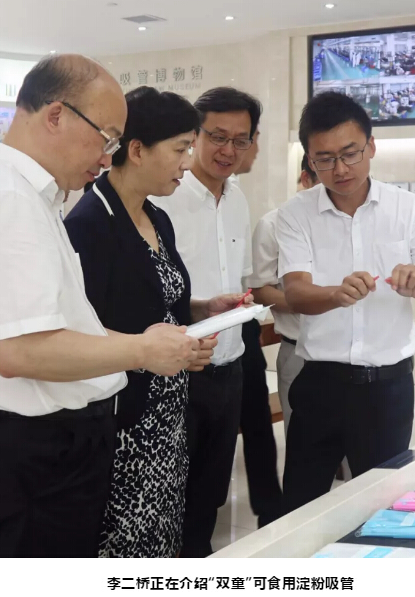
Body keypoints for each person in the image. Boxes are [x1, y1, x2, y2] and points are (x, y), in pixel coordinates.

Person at [0, 55, 199, 558]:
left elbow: (63, 328)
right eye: (107, 138)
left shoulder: (32, 198)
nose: (107, 156)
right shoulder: (5, 200)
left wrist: (145, 346)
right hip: (36, 449)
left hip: (56, 445)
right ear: (56, 115)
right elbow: (20, 351)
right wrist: (142, 351)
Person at [64, 87, 250, 557]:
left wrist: (202, 309)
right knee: (123, 544)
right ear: (137, 149)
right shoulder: (90, 224)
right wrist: (151, 351)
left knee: (166, 536)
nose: (187, 163)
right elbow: (81, 331)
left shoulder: (155, 217)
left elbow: (157, 304)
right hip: (122, 422)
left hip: (168, 412)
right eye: (180, 148)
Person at [277, 91, 415, 515]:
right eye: (324, 159)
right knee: (300, 507)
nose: (339, 169)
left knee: (381, 508)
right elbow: (295, 293)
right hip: (319, 385)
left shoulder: (406, 207)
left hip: (387, 390)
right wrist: (334, 294)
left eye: (350, 153)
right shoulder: (295, 214)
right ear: (309, 160)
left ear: (371, 146)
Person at [150, 86, 261, 557]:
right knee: (168, 498)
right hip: (176, 374)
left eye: (240, 140)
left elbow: (240, 277)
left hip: (229, 370)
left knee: (210, 494)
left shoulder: (238, 200)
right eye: (217, 136)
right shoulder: (162, 199)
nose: (228, 150)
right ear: (194, 136)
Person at [229, 129, 284, 529]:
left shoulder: (235, 198)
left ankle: (269, 505)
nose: (245, 151)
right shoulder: (174, 198)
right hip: (200, 330)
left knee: (257, 418)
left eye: (245, 141)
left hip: (239, 321)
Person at [247, 154, 318, 438]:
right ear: (306, 179)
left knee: (356, 451)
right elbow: (259, 289)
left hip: (353, 356)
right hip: (299, 351)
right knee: (303, 444)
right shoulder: (273, 224)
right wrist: (314, 303)